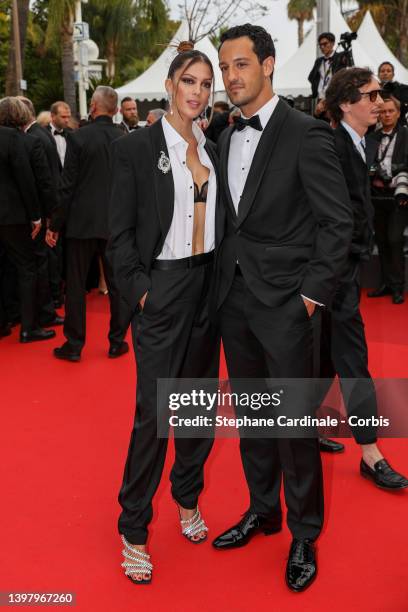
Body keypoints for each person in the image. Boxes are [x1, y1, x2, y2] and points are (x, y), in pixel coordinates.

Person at [212, 24, 352, 592]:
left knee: (294, 425)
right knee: (253, 420)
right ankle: (263, 510)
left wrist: (311, 297)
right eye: (225, 68)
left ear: (268, 65)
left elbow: (336, 223)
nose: (231, 77)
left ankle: (304, 531)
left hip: (289, 305)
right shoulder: (222, 136)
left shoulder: (307, 134)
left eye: (241, 64)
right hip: (234, 300)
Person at [107, 42, 220, 584]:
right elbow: (119, 234)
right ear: (171, 83)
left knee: (198, 409)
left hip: (208, 288)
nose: (197, 92)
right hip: (164, 286)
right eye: (189, 81)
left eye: (206, 84)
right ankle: (133, 527)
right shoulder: (137, 148)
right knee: (155, 417)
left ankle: (188, 497)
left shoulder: (210, 142)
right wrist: (142, 292)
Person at [321, 68, 408, 489]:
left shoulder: (362, 142)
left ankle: (313, 428)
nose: (379, 101)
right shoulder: (331, 146)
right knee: (353, 361)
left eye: (380, 94)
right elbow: (333, 216)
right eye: (371, 94)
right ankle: (371, 453)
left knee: (322, 356)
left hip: (343, 269)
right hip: (334, 272)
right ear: (345, 103)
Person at [47, 86, 131, 362]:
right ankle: (117, 342)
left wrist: (55, 224)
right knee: (117, 285)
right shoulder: (124, 137)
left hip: (81, 224)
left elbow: (67, 185)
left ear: (93, 108)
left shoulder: (79, 137)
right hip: (114, 224)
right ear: (116, 109)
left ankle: (73, 345)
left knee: (75, 286)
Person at [0, 97, 55, 343]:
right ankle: (29, 328)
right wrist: (37, 216)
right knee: (27, 267)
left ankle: (4, 322)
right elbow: (30, 183)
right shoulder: (22, 141)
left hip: (9, 216)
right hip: (16, 216)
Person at [368, 96, 408, 304]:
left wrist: (397, 172)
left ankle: (398, 286)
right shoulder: (372, 137)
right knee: (382, 241)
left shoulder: (405, 135)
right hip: (376, 196)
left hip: (398, 196)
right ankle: (385, 283)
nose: (386, 115)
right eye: (383, 112)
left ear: (398, 113)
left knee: (395, 240)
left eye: (391, 111)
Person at [308, 32, 342, 101]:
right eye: (320, 45)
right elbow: (311, 77)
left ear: (332, 43)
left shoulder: (339, 58)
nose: (322, 47)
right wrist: (316, 89)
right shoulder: (319, 61)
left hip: (334, 98)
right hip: (320, 97)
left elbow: (343, 79)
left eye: (325, 44)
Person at [48, 101, 72, 168]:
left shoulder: (72, 133)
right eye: (63, 117)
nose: (67, 120)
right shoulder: (44, 133)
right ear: (53, 116)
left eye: (68, 117)